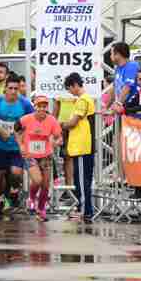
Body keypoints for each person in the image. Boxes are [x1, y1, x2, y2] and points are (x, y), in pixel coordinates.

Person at [0, 75, 33, 213]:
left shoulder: (25, 104)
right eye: (10, 88)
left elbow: (32, 121)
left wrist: (22, 135)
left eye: (16, 88)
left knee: (15, 173)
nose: (14, 91)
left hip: (17, 145)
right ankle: (0, 199)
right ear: (5, 89)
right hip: (0, 144)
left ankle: (14, 191)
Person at [17, 93, 62, 220]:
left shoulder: (52, 120)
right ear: (35, 106)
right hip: (30, 155)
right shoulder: (26, 119)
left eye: (44, 106)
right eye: (39, 106)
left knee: (46, 185)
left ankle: (41, 209)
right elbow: (16, 130)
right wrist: (21, 145)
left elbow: (59, 137)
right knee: (37, 180)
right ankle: (31, 198)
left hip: (46, 155)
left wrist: (56, 142)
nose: (42, 109)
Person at [63, 73, 96, 221]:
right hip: (81, 146)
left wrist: (61, 124)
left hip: (83, 146)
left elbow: (73, 122)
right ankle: (84, 209)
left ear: (75, 85)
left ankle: (85, 210)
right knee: (82, 179)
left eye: (70, 89)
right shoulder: (84, 99)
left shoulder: (83, 100)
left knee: (82, 180)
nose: (70, 92)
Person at [110, 42, 140, 114]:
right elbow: (114, 88)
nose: (110, 56)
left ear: (118, 54)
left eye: (111, 53)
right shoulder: (118, 68)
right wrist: (108, 106)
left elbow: (127, 86)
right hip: (123, 108)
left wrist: (118, 103)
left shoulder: (132, 66)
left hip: (133, 108)